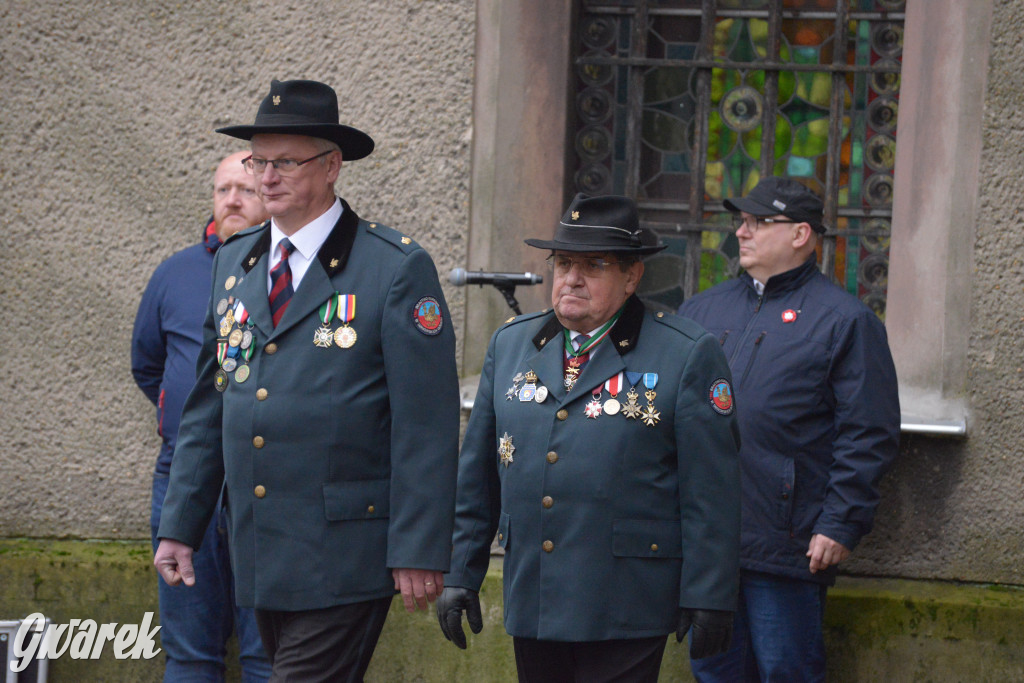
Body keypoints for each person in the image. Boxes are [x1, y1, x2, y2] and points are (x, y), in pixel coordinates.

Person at [152, 79, 460, 682]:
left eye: (286, 162)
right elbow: (210, 405)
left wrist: (419, 546)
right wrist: (182, 524)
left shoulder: (392, 267)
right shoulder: (235, 262)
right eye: (258, 161)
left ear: (331, 166)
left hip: (344, 550)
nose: (266, 177)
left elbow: (425, 421)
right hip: (261, 548)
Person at [437, 193, 742, 682]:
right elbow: (478, 474)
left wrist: (709, 593)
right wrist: (460, 571)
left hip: (625, 598)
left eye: (594, 265)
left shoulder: (684, 353)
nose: (572, 279)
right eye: (563, 263)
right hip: (535, 593)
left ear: (631, 276)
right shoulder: (512, 344)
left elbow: (711, 490)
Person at [677, 176, 901, 682]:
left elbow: (868, 432)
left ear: (801, 234)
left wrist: (841, 522)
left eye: (758, 222)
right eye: (741, 221)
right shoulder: (702, 310)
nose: (741, 232)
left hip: (786, 542)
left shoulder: (845, 321)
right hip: (705, 540)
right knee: (712, 670)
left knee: (787, 671)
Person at [132, 150, 272, 682]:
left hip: (264, 480)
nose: (233, 200)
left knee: (269, 655)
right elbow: (147, 365)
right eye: (223, 189)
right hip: (183, 478)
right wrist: (185, 420)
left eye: (246, 189)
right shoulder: (176, 273)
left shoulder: (289, 274)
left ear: (270, 193)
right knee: (189, 652)